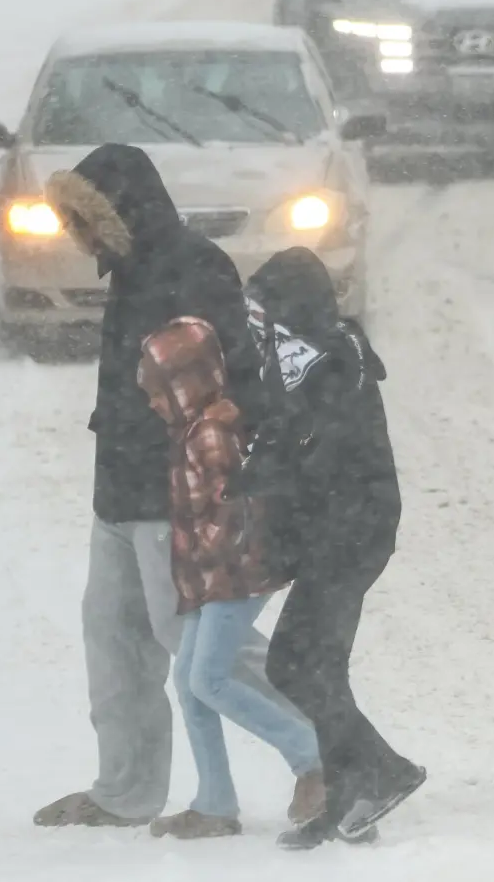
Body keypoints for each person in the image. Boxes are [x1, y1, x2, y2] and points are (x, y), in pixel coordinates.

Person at [32, 145, 315, 830]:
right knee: (115, 640)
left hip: (175, 493)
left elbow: (234, 379)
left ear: (122, 211)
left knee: (205, 652)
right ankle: (124, 791)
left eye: (85, 219)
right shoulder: (127, 270)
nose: (79, 237)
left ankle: (330, 751)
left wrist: (223, 480)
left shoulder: (194, 264)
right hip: (119, 493)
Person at [248, 249, 426, 850]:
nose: (263, 320)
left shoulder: (321, 362)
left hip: (349, 531)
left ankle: (386, 771)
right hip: (343, 528)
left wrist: (263, 481)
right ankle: (349, 798)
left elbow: (316, 455)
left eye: (269, 306)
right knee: (318, 665)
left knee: (292, 664)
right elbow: (292, 443)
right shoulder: (318, 352)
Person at [138, 318, 322, 839]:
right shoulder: (195, 430)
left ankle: (312, 757)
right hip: (212, 581)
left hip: (236, 578)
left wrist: (217, 569)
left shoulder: (212, 434)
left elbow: (240, 512)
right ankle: (215, 802)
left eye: (158, 392)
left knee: (210, 679)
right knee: (191, 685)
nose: (153, 403)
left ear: (183, 385)